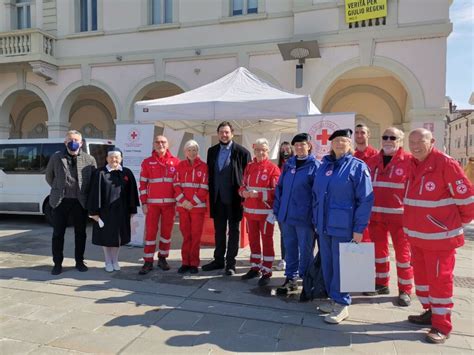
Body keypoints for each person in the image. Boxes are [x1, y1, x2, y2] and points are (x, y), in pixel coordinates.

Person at [404, 128, 474, 344]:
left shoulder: (446, 164)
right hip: (417, 237)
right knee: (423, 281)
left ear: (432, 141)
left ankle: (442, 325)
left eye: (420, 141)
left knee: (440, 282)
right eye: (412, 141)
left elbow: (467, 200)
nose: (415, 145)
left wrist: (452, 225)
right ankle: (430, 312)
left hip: (439, 239)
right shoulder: (412, 163)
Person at [312, 129, 373, 324]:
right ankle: (334, 299)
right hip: (324, 226)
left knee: (342, 267)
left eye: (344, 141)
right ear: (331, 144)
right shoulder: (324, 165)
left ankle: (343, 304)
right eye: (336, 140)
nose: (339, 144)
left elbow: (365, 200)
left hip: (344, 226)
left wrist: (359, 228)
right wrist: (316, 219)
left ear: (350, 144)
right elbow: (316, 195)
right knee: (328, 265)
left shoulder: (357, 167)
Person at [364, 127, 413, 306]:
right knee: (379, 252)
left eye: (393, 137)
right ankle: (381, 283)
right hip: (376, 215)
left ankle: (405, 289)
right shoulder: (373, 160)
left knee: (403, 255)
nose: (388, 140)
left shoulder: (408, 161)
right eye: (385, 137)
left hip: (400, 217)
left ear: (400, 140)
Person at [203, 122, 251, 275]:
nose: (224, 135)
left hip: (234, 199)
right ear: (217, 133)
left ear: (232, 133)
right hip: (217, 197)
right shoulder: (212, 151)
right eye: (221, 132)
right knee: (219, 230)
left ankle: (230, 263)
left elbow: (247, 177)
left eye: (227, 132)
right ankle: (218, 260)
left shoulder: (242, 152)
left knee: (234, 231)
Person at [45, 130, 97, 275]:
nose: (73, 142)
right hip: (60, 201)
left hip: (80, 202)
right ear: (65, 142)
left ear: (81, 143)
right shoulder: (56, 157)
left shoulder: (89, 159)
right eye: (70, 139)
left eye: (76, 140)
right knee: (58, 234)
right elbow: (49, 176)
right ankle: (57, 263)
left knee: (80, 234)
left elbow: (93, 181)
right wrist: (58, 189)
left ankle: (79, 261)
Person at [273, 133, 319, 294]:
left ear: (309, 146)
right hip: (286, 217)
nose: (299, 147)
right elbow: (280, 188)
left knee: (305, 250)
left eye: (302, 144)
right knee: (290, 248)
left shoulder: (315, 166)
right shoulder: (289, 164)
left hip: (304, 218)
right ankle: (290, 279)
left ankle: (306, 280)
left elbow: (318, 195)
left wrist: (315, 217)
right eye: (296, 145)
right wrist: (278, 210)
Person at [87, 147, 140, 272]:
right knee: (106, 238)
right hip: (105, 213)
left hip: (122, 212)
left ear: (121, 159)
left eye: (116, 157)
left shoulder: (127, 173)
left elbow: (132, 192)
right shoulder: (100, 173)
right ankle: (107, 261)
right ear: (106, 159)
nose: (114, 159)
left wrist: (132, 210)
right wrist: (94, 212)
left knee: (118, 238)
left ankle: (115, 260)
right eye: (111, 157)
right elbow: (94, 193)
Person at [239, 138, 280, 286]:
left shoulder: (273, 169)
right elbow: (242, 185)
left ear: (268, 151)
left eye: (263, 149)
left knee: (267, 241)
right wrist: (243, 193)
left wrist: (259, 195)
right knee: (254, 242)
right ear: (254, 150)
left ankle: (267, 271)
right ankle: (255, 267)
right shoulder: (249, 167)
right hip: (250, 213)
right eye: (257, 150)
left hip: (265, 214)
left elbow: (277, 192)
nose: (260, 152)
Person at [138, 135, 180, 274]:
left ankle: (162, 258)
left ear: (168, 145)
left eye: (163, 142)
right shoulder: (147, 162)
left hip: (170, 204)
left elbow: (178, 185)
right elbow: (143, 184)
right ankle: (148, 261)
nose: (160, 144)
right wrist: (144, 202)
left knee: (166, 233)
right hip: (152, 205)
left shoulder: (176, 162)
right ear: (153, 144)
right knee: (150, 232)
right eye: (157, 142)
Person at [174, 140, 209, 274]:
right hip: (183, 208)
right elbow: (176, 185)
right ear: (185, 152)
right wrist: (184, 202)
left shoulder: (204, 167)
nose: (192, 152)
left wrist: (192, 203)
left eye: (194, 149)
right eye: (189, 150)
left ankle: (194, 263)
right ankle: (185, 262)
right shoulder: (180, 166)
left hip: (197, 208)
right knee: (186, 235)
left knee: (195, 236)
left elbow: (204, 187)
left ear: (198, 151)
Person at [276, 141, 294, 271]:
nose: (285, 151)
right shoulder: (277, 166)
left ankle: (294, 258)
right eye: (283, 149)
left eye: (287, 148)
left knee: (296, 234)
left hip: (294, 205)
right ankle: (284, 258)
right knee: (284, 234)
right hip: (282, 205)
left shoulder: (295, 164)